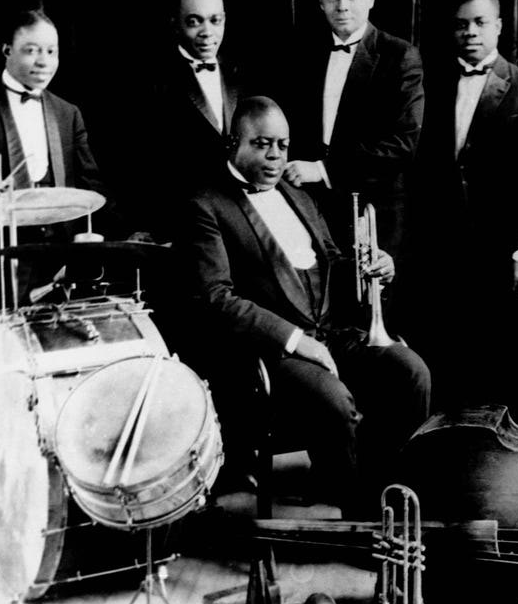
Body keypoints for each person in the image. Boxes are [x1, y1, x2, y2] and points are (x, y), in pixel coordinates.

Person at [174, 96, 431, 516]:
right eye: (262, 144)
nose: (275, 156)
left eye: (283, 145)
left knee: (410, 372)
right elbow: (215, 298)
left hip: (332, 335)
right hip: (271, 353)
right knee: (333, 401)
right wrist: (295, 341)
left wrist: (376, 264)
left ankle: (393, 495)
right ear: (234, 143)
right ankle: (361, 518)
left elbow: (331, 262)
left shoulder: (298, 195)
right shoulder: (205, 205)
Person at [413, 0, 518, 427]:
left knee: (499, 358)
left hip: (501, 252)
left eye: (480, 23)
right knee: (447, 355)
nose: (471, 33)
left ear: (498, 26)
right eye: (462, 25)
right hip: (442, 248)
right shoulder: (432, 82)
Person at [0, 9, 105, 320]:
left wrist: (88, 250)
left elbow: (90, 190)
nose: (43, 61)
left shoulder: (68, 114)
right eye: (31, 50)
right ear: (7, 51)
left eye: (51, 52)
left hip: (60, 272)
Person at [280, 0, 424, 272]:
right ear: (320, 3)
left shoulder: (400, 56)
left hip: (377, 214)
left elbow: (402, 145)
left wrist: (323, 169)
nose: (342, 6)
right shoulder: (303, 54)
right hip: (314, 212)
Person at [134, 0, 245, 242]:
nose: (207, 32)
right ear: (175, 24)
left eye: (215, 20)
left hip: (239, 223)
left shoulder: (240, 73)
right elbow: (139, 165)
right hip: (181, 226)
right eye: (195, 21)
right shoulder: (153, 82)